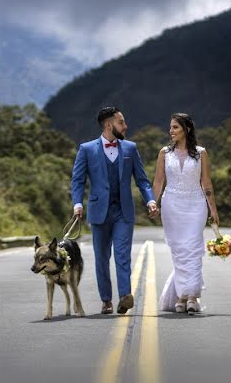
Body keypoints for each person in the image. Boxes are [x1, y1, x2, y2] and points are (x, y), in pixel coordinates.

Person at [71, 107, 158, 314]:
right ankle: (106, 300)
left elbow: (143, 180)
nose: (126, 126)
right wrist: (77, 203)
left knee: (122, 254)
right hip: (98, 211)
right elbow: (78, 180)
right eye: (121, 122)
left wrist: (150, 201)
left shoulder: (130, 148)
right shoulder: (87, 149)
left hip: (123, 212)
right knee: (101, 258)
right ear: (109, 125)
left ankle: (125, 296)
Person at [152, 112, 219, 314]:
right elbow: (158, 181)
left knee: (193, 248)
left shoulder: (201, 153)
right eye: (170, 127)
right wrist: (152, 203)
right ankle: (181, 297)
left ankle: (190, 296)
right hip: (171, 205)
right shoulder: (164, 153)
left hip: (196, 204)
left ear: (186, 129)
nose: (171, 131)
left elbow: (206, 183)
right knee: (179, 251)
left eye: (175, 127)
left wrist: (212, 209)